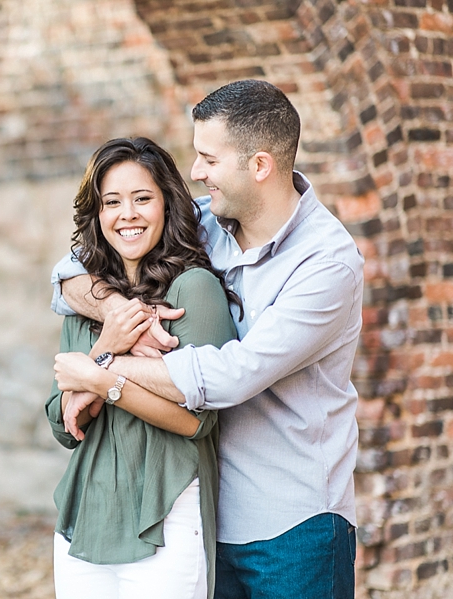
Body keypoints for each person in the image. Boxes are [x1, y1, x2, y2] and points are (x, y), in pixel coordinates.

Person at [51, 80, 363, 599]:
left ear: (259, 165)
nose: (195, 172)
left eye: (208, 159)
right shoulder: (208, 222)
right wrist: (119, 312)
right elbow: (69, 271)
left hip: (294, 527)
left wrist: (107, 366)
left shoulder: (326, 265)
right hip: (203, 513)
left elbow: (231, 375)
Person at [46, 137, 237, 599]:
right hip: (87, 515)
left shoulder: (194, 290)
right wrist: (109, 346)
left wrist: (100, 379)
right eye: (112, 202)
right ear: (97, 215)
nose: (126, 214)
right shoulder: (87, 302)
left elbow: (197, 421)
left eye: (142, 198)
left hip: (168, 511)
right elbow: (64, 424)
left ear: (168, 206)